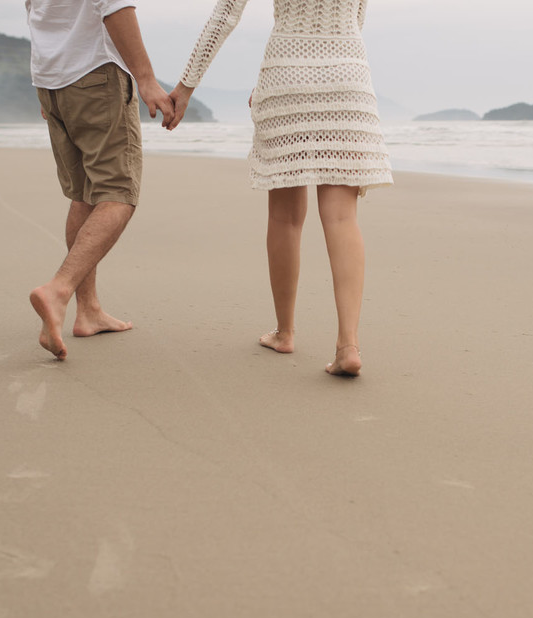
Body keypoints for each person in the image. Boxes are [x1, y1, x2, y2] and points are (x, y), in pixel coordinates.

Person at [166, 0, 392, 376]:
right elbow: (358, 15)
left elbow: (225, 14)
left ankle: (285, 332)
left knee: (285, 217)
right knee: (342, 217)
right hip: (348, 75)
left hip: (285, 74)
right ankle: (348, 346)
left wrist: (185, 87)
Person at [25, 0, 174, 360]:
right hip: (94, 74)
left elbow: (34, 9)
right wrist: (146, 79)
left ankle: (89, 311)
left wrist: (46, 80)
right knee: (118, 194)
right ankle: (58, 290)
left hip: (52, 80)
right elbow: (115, 5)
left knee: (85, 195)